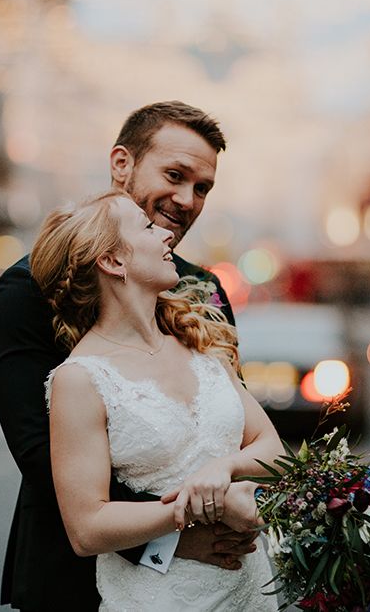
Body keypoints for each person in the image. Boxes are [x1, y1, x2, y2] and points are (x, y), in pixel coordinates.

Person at [0, 101, 263, 611]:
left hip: (227, 571)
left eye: (202, 188)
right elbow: (39, 454)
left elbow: (228, 422)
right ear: (122, 164)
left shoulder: (204, 288)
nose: (187, 200)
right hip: (78, 579)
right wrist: (175, 537)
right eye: (175, 175)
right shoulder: (29, 287)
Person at [32, 191, 283, 610]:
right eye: (147, 228)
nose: (166, 235)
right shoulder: (81, 378)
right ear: (112, 262)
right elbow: (86, 528)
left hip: (249, 594)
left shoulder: (198, 343)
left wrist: (226, 468)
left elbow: (274, 450)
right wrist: (203, 508)